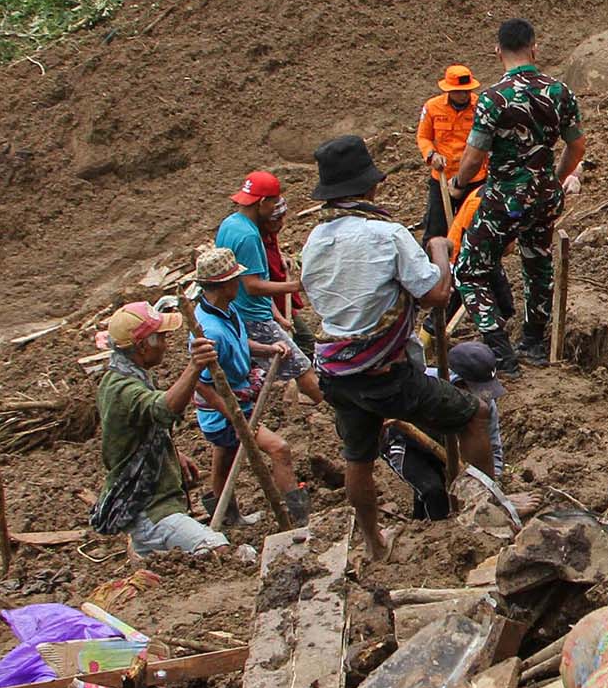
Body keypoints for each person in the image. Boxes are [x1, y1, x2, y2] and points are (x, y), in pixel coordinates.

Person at [300, 134, 498, 558]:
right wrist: (440, 250)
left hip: (338, 372)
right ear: (370, 187)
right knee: (474, 416)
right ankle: (490, 512)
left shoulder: (314, 240)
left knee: (359, 458)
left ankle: (374, 543)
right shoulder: (387, 235)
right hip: (387, 372)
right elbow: (438, 295)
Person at [448, 18, 586, 373]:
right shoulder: (560, 92)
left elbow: (475, 155)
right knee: (537, 262)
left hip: (505, 198)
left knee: (468, 270)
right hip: (544, 195)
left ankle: (500, 349)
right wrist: (554, 180)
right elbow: (576, 145)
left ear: (498, 51)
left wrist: (459, 183)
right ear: (534, 47)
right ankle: (534, 342)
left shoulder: (493, 98)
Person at [91, 301, 242, 558]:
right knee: (218, 550)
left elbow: (141, 427)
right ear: (141, 347)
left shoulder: (126, 375)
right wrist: (195, 367)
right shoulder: (122, 389)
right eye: (159, 338)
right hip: (151, 508)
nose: (165, 343)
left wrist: (171, 454)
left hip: (150, 505)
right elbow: (162, 409)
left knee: (157, 559)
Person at [186, 245, 309, 528]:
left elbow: (241, 343)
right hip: (225, 410)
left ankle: (227, 518)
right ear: (221, 285)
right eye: (234, 280)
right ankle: (300, 519)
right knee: (280, 449)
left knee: (225, 458)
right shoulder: (209, 332)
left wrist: (267, 349)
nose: (240, 284)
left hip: (235, 400)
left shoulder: (226, 310)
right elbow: (204, 386)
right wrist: (235, 417)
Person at [214, 173, 320, 404]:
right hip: (254, 317)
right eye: (273, 202)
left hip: (239, 311)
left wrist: (279, 316)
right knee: (303, 369)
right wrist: (295, 286)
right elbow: (252, 286)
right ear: (262, 203)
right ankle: (331, 406)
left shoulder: (230, 224)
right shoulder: (250, 236)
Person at [383, 341, 507, 520]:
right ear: (458, 381)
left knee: (443, 492)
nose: (484, 396)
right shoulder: (421, 385)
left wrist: (493, 487)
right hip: (403, 441)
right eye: (477, 389)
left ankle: (420, 521)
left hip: (446, 448)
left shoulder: (485, 404)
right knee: (432, 491)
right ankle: (435, 535)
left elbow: (492, 446)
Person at [416, 64, 481, 240]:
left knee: (473, 229)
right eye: (459, 91)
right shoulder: (432, 107)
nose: (464, 95)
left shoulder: (482, 106)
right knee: (436, 230)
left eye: (467, 91)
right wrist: (431, 155)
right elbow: (423, 137)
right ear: (449, 90)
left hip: (474, 179)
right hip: (443, 178)